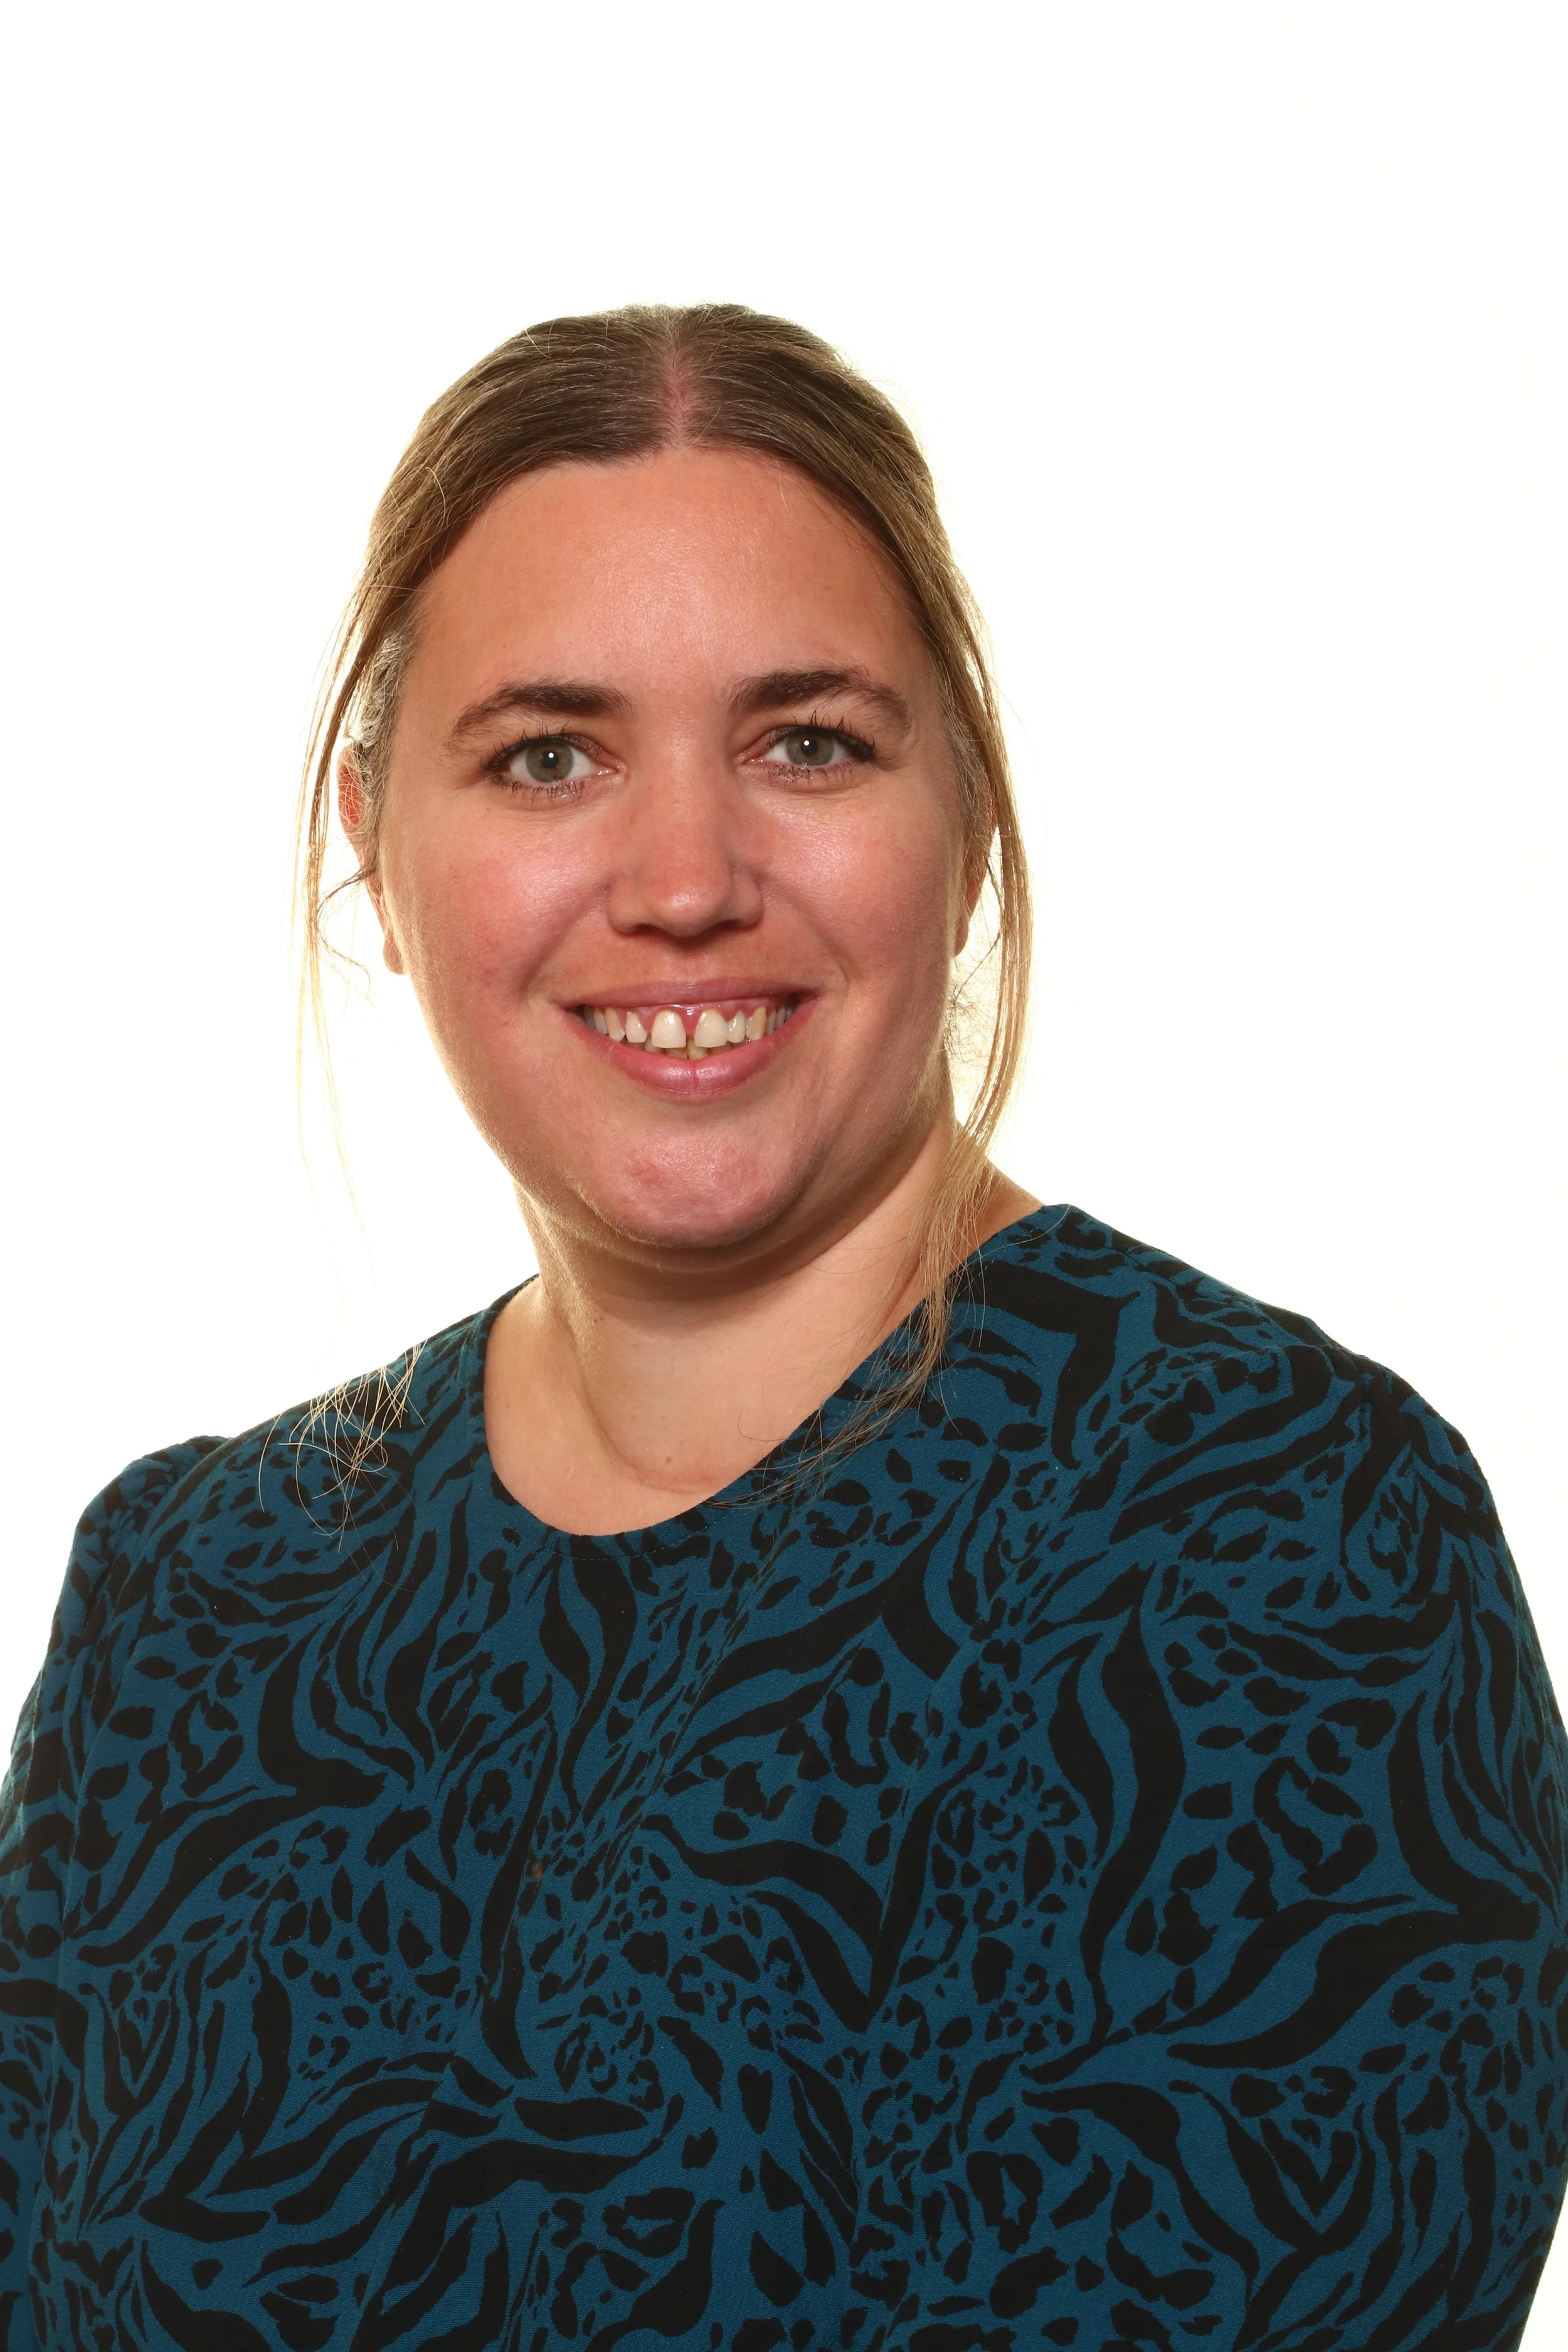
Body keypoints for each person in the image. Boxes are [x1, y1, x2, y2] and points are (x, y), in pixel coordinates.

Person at [1, 305, 1562, 2352]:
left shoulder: (1280, 1542)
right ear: (376, 845)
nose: (682, 882)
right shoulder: (189, 1599)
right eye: (547, 754)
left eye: (804, 741)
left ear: (969, 819)